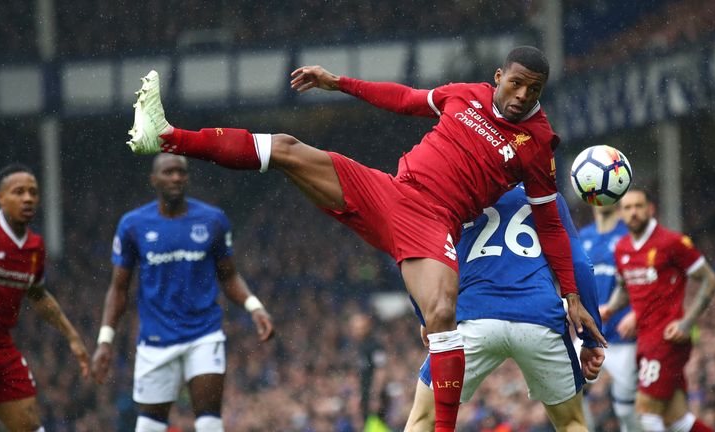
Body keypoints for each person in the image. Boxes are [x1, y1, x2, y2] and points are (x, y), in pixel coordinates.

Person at [127, 46, 606, 431]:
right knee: (290, 150)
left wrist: (570, 295)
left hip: (434, 222)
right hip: (390, 193)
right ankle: (168, 136)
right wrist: (338, 83)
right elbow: (403, 99)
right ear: (499, 76)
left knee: (442, 315)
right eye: (516, 82)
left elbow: (550, 223)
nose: (522, 95)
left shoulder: (539, 142)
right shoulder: (466, 94)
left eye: (533, 89)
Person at [90, 154, 274, 432]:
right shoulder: (133, 225)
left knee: (210, 421)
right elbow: (118, 288)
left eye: (181, 172)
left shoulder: (213, 220)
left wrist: (254, 307)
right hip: (155, 338)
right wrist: (105, 340)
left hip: (204, 333)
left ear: (187, 178)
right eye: (168, 172)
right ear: (154, 180)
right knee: (150, 424)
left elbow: (229, 275)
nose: (176, 177)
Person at [404, 185, 605, 432]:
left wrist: (426, 315)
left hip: (475, 320)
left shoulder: (456, 191)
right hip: (539, 318)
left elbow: (422, 255)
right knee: (571, 423)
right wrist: (590, 340)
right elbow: (580, 264)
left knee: (424, 419)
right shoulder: (546, 195)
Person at [0, 164, 90, 432]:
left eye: (33, 192)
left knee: (30, 425)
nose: (28, 198)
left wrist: (72, 336)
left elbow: (38, 295)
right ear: (1, 197)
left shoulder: (34, 246)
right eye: (19, 192)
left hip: (2, 352)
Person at [600, 189, 715, 432]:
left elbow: (709, 280)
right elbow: (625, 286)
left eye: (638, 206)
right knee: (676, 420)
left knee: (645, 412)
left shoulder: (671, 242)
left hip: (667, 338)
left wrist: (687, 323)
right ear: (620, 214)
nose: (633, 212)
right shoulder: (622, 248)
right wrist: (610, 309)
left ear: (650, 209)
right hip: (645, 338)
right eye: (628, 208)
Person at [580, 204, 640, 432]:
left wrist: (636, 313)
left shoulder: (629, 235)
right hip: (589, 335)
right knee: (566, 390)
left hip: (623, 337)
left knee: (627, 411)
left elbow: (641, 279)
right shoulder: (583, 236)